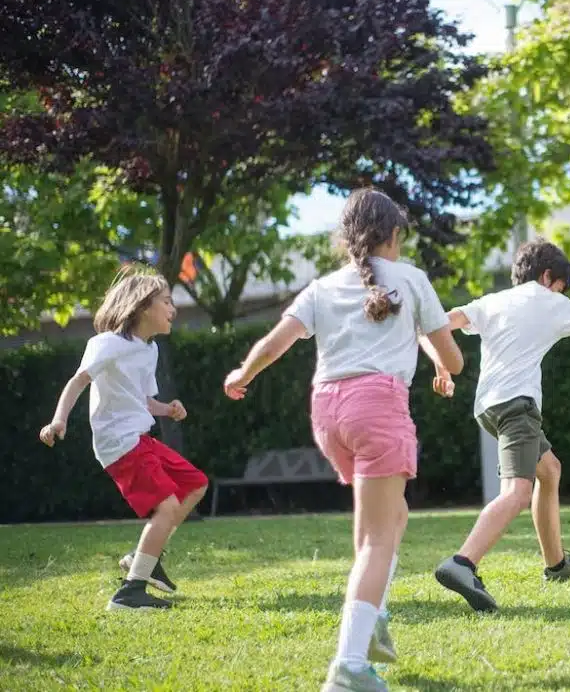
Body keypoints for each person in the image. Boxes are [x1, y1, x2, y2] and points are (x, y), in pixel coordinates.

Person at [223, 188, 463, 692]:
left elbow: (278, 341)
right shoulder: (412, 279)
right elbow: (455, 359)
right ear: (393, 235)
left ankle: (370, 614)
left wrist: (243, 372)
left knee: (386, 518)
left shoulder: (324, 286)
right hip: (377, 406)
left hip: (327, 410)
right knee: (380, 536)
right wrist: (443, 364)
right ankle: (349, 665)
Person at [431, 239, 570, 612]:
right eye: (560, 287)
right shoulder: (551, 300)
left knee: (549, 470)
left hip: (487, 406)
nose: (560, 294)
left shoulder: (493, 300)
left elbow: (445, 324)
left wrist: (442, 366)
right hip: (517, 405)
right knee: (517, 493)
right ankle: (462, 563)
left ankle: (556, 566)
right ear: (549, 276)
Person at [39, 269, 207, 611]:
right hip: (118, 442)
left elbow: (143, 401)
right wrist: (58, 420)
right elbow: (78, 382)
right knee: (168, 507)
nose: (173, 308)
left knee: (195, 483)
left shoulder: (150, 350)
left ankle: (144, 557)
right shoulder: (106, 344)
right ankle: (130, 593)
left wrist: (167, 409)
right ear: (143, 307)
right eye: (166, 302)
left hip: (139, 437)